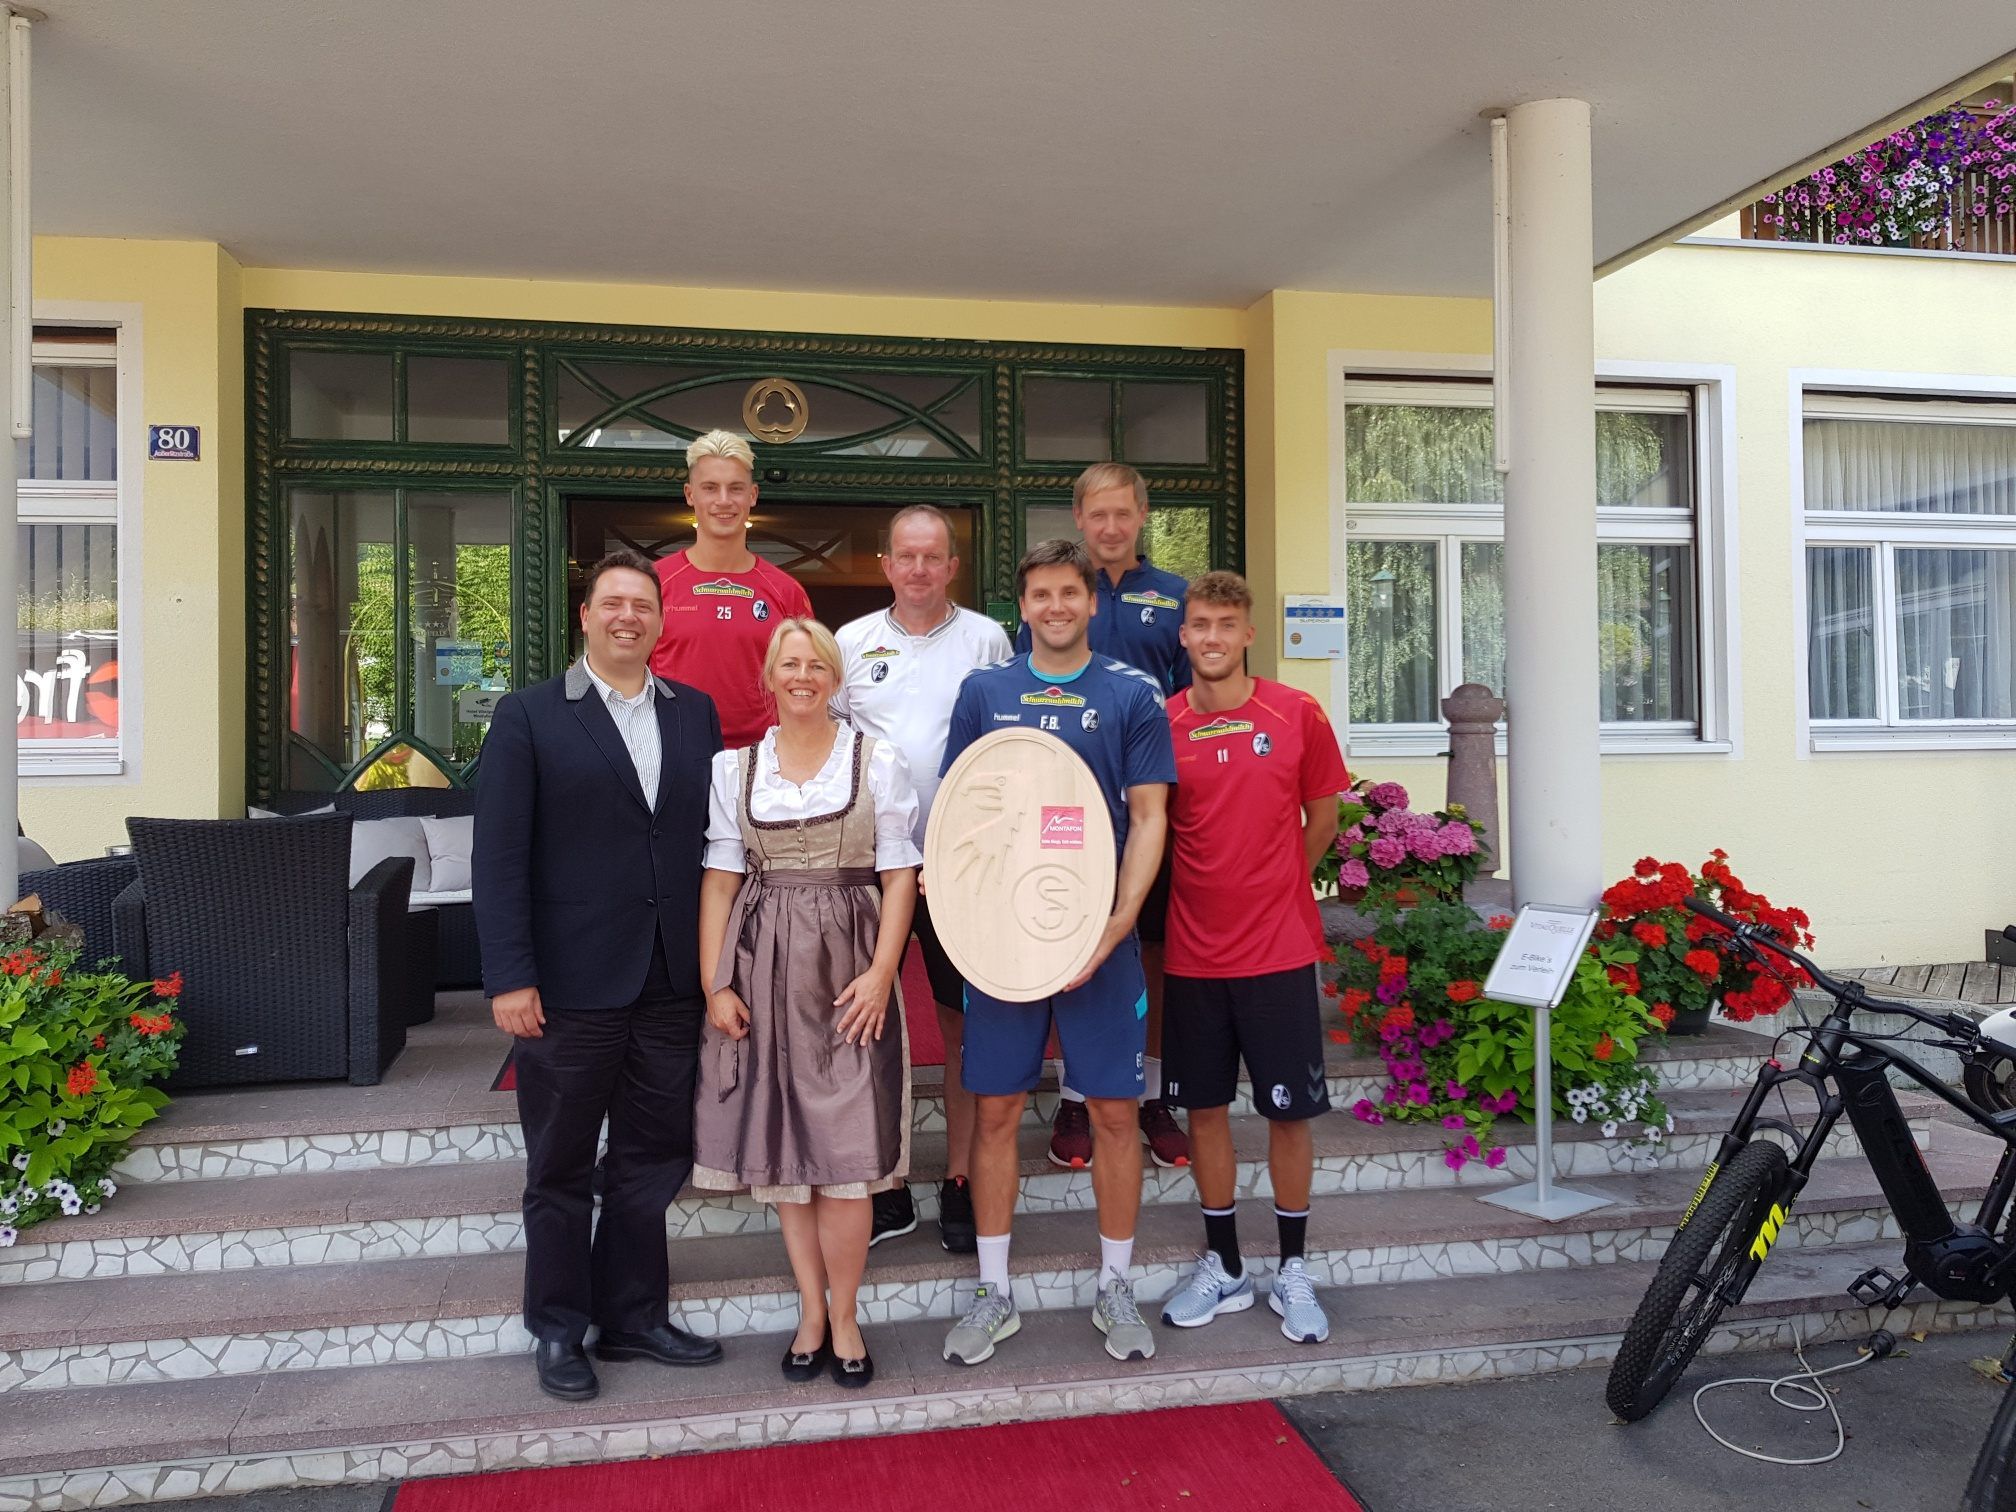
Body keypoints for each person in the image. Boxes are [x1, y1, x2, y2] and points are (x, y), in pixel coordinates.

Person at [473, 548, 725, 1403]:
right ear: (584, 616)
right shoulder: (529, 715)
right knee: (560, 1165)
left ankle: (633, 1317)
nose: (628, 617)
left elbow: (702, 846)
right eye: (612, 603)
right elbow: (499, 857)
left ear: (661, 621)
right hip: (569, 984)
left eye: (642, 605)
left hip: (668, 980)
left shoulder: (695, 715)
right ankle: (556, 1328)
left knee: (653, 1157)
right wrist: (510, 976)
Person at [940, 538, 1174, 1367]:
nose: (1056, 607)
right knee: (997, 1110)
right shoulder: (985, 692)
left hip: (1098, 942)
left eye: (1069, 592)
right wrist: (969, 921)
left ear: (1089, 601)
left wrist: (1117, 923)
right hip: (1002, 942)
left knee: (1115, 1112)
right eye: (1040, 594)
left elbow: (1149, 818)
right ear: (1024, 605)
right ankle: (993, 1292)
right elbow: (959, 815)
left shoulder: (1131, 695)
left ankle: (1117, 1284)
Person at [694, 618, 921, 1390]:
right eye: (789, 664)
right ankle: (811, 1312)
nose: (802, 676)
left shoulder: (876, 761)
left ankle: (848, 1312)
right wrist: (714, 983)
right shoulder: (735, 769)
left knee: (847, 1156)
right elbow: (721, 879)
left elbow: (898, 876)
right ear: (770, 676)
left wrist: (883, 971)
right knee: (790, 1152)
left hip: (851, 967)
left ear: (835, 677)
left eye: (815, 664)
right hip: (763, 967)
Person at [1155, 572, 1347, 1345]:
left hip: (1276, 951)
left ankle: (1293, 1269)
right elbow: (1148, 830)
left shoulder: (1295, 713)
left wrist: (1277, 882)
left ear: (1248, 633)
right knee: (1204, 1111)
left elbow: (1325, 814)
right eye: (1199, 624)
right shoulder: (1161, 722)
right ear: (1183, 636)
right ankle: (1226, 1266)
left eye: (1225, 624)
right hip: (1193, 955)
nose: (1211, 637)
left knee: (1288, 1114)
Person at [834, 504, 1011, 1255]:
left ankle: (964, 1180)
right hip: (869, 864)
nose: (917, 569)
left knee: (963, 1029)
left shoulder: (988, 640)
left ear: (951, 566)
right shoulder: (849, 643)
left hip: (961, 864)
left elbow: (1009, 749)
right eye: (905, 556)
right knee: (867, 1025)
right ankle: (885, 1183)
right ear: (885, 565)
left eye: (932, 557)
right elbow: (831, 747)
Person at [1015, 463, 1190, 1174]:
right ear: (1079, 519)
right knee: (1063, 944)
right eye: (1098, 515)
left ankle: (1150, 1097)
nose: (1111, 527)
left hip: (1149, 810)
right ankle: (1076, 1097)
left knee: (1150, 955)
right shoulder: (1060, 598)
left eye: (1124, 514)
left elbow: (1193, 703)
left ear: (1142, 515)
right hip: (1058, 819)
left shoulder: (1177, 599)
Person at [650, 428, 814, 749]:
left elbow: (808, 683)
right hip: (674, 756)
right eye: (710, 488)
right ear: (690, 494)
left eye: (735, 488)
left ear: (752, 495)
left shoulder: (786, 590)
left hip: (763, 763)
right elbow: (624, 677)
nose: (723, 501)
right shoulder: (654, 583)